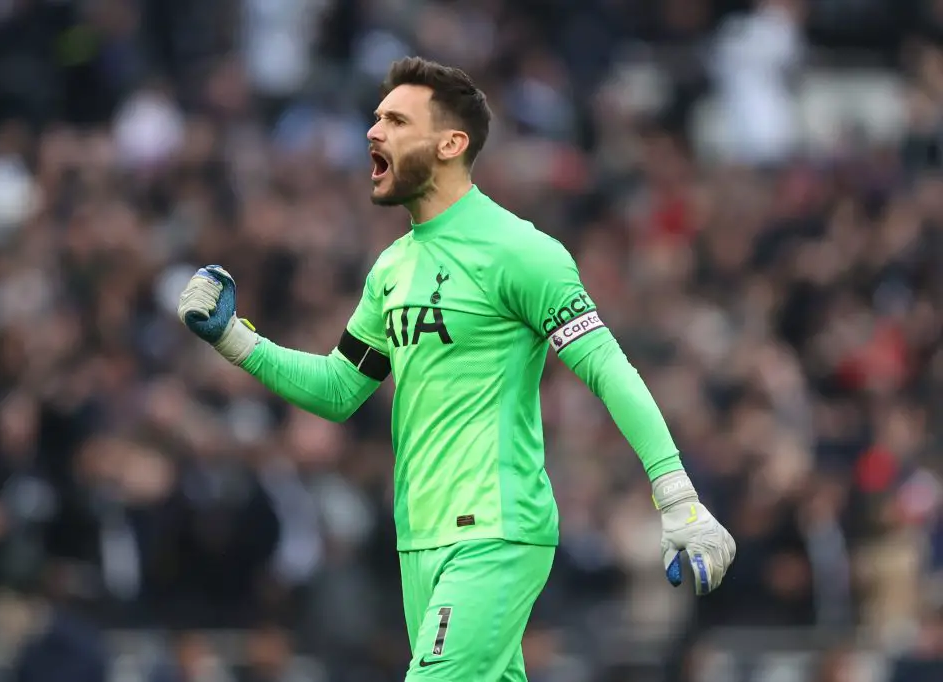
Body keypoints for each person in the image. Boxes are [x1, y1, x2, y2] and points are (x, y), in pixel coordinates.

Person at [177, 56, 736, 682]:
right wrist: (232, 338)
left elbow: (607, 365)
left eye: (395, 119)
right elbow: (339, 389)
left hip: (495, 529)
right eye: (374, 118)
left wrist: (677, 495)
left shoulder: (522, 252)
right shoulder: (392, 268)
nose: (373, 132)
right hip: (419, 538)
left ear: (450, 142)